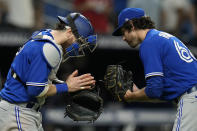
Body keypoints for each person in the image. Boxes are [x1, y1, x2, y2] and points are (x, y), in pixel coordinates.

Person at [0, 12, 97, 131]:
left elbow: (32, 76)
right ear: (69, 32)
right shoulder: (51, 48)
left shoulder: (44, 34)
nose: (80, 48)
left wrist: (65, 83)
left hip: (17, 110)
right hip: (19, 112)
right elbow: (35, 89)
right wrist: (66, 87)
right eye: (80, 42)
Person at [112, 8, 197, 131]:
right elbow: (159, 91)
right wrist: (137, 94)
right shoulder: (161, 37)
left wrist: (132, 96)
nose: (123, 38)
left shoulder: (149, 43)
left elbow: (154, 90)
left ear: (131, 25)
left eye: (123, 32)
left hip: (192, 98)